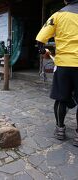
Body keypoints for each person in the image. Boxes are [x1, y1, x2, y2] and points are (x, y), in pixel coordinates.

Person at [36, 0, 78, 146]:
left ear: (65, 0)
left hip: (64, 64)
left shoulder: (58, 15)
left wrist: (44, 51)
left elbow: (40, 40)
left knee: (61, 98)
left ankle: (60, 129)